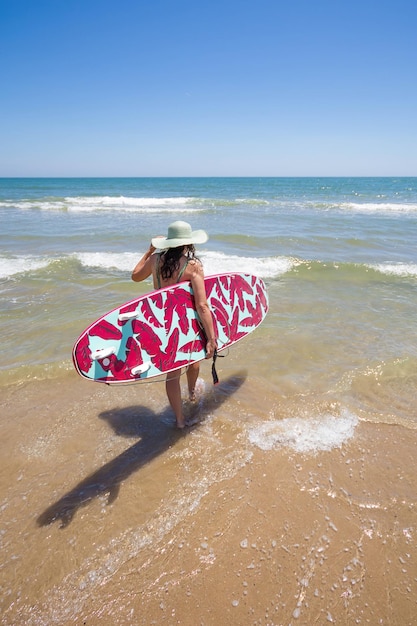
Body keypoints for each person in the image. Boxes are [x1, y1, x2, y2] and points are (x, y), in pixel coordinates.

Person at [131, 221, 217, 429]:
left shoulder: (155, 260)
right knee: (194, 362)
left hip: (161, 322)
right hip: (185, 323)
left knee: (173, 372)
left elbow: (135, 276)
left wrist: (149, 251)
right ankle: (191, 397)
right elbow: (202, 305)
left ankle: (180, 418)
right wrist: (212, 338)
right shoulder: (193, 265)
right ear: (188, 243)